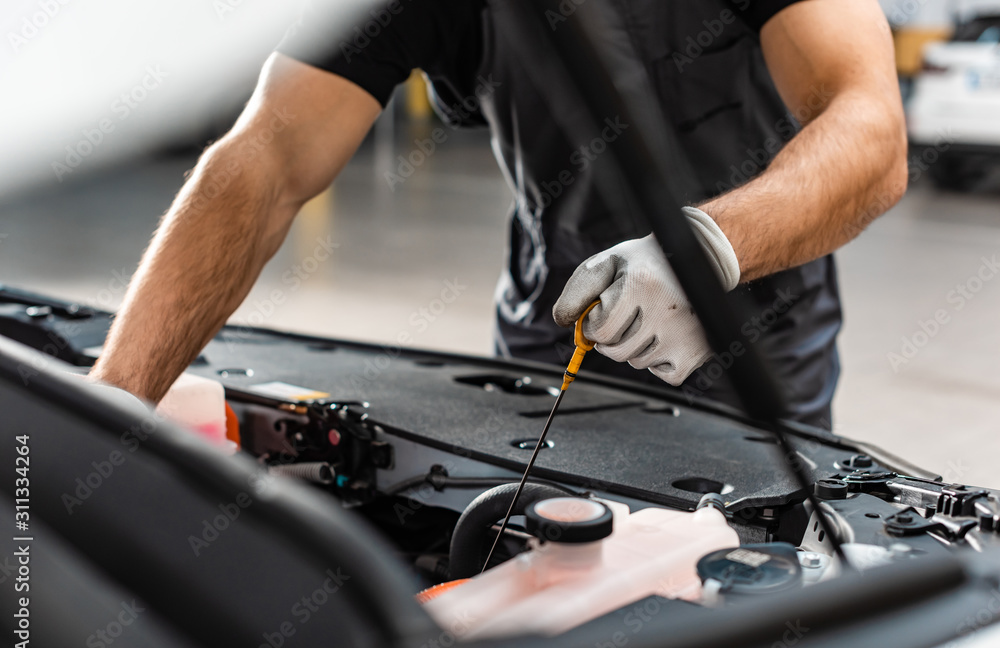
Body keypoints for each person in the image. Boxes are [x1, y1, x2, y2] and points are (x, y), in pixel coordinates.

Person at [90, 0, 907, 429]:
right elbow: (263, 160)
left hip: (758, 340)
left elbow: (871, 128)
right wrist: (110, 412)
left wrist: (707, 249)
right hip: (552, 350)